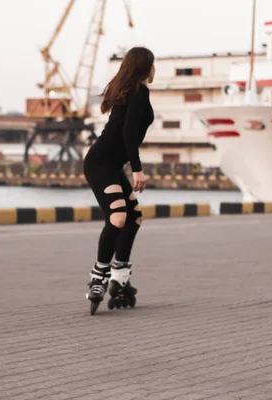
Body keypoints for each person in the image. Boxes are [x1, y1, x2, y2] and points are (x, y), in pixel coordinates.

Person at [83, 46, 155, 311]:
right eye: (152, 64)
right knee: (118, 216)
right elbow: (127, 133)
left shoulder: (129, 90)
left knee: (134, 217)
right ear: (145, 67)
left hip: (112, 164)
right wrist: (137, 169)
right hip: (100, 163)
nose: (154, 69)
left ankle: (120, 279)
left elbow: (128, 132)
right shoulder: (138, 91)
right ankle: (98, 276)